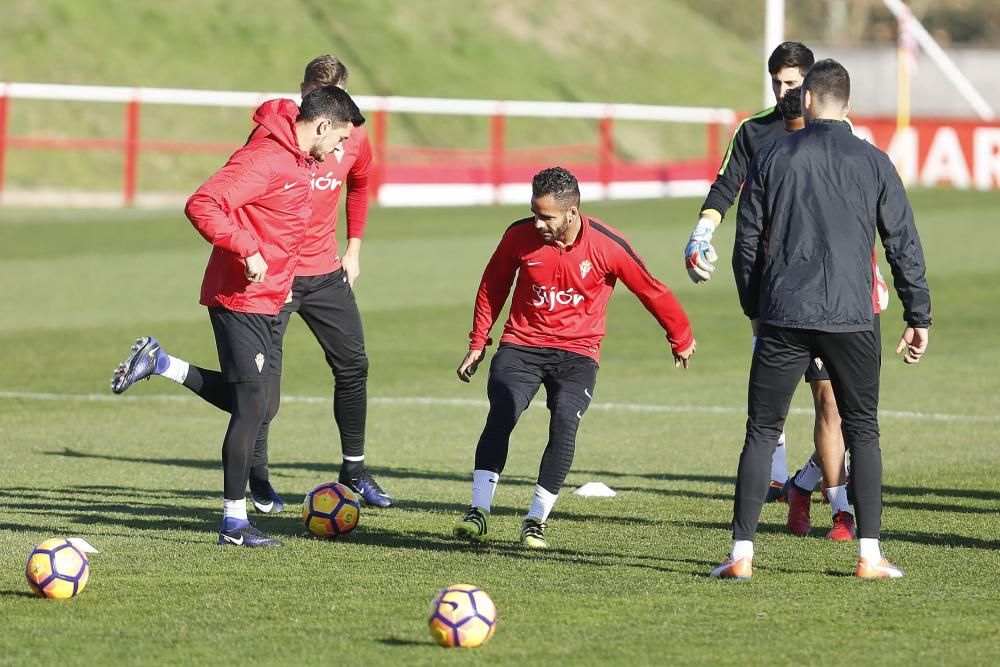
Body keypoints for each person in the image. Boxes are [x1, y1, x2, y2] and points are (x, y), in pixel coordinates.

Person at [112, 55, 393, 512]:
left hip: (306, 277)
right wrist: (247, 248)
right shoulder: (271, 149)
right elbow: (212, 202)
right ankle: (246, 502)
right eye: (338, 135)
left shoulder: (338, 141)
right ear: (315, 111)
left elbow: (356, 185)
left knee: (288, 389)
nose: (342, 145)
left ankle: (164, 365)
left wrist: (353, 246)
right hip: (256, 287)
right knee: (259, 403)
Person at [711, 59, 931, 579]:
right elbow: (902, 242)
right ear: (848, 107)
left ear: (806, 99)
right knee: (864, 430)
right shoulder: (875, 161)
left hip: (783, 314)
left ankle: (741, 555)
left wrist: (754, 309)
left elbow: (748, 243)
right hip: (852, 316)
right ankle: (869, 555)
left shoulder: (769, 156)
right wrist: (917, 311)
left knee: (761, 431)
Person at [684, 41, 888, 540]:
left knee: (832, 405)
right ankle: (796, 488)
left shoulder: (841, 136)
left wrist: (872, 274)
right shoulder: (755, 132)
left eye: (793, 83)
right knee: (770, 414)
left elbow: (853, 218)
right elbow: (727, 188)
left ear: (812, 87)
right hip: (777, 296)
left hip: (833, 294)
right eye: (776, 82)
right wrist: (702, 233)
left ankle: (830, 501)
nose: (783, 92)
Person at [453, 167, 696, 549]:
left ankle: (535, 520)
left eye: (546, 216)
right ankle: (478, 512)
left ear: (572, 210)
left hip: (577, 353)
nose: (537, 223)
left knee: (564, 422)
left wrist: (680, 336)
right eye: (534, 212)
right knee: (502, 410)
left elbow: (651, 289)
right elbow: (493, 284)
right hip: (522, 345)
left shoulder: (607, 245)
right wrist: (478, 341)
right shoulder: (519, 236)